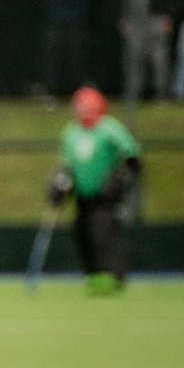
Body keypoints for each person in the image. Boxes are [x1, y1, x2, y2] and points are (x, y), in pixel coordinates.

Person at [47, 86, 141, 293]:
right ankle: (94, 276)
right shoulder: (71, 133)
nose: (80, 111)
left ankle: (114, 276)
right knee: (82, 234)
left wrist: (119, 180)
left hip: (106, 198)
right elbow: (66, 167)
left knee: (103, 234)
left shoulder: (110, 129)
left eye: (84, 107)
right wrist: (59, 185)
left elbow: (132, 158)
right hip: (82, 198)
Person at [120, 0, 179, 100]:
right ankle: (134, 93)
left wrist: (168, 17)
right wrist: (124, 18)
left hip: (156, 18)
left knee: (159, 57)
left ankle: (162, 93)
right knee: (134, 57)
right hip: (135, 20)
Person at [38, 0, 89, 102]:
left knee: (76, 58)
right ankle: (51, 93)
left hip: (75, 23)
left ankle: (79, 95)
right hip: (54, 23)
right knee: (53, 58)